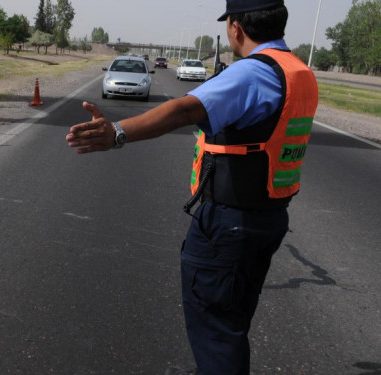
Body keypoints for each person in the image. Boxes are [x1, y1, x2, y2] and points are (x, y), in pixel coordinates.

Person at [65, 0, 318, 374]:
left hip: (229, 223)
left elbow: (185, 110)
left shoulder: (251, 73)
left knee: (216, 328)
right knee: (231, 320)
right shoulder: (300, 72)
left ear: (236, 28)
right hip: (268, 217)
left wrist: (117, 133)